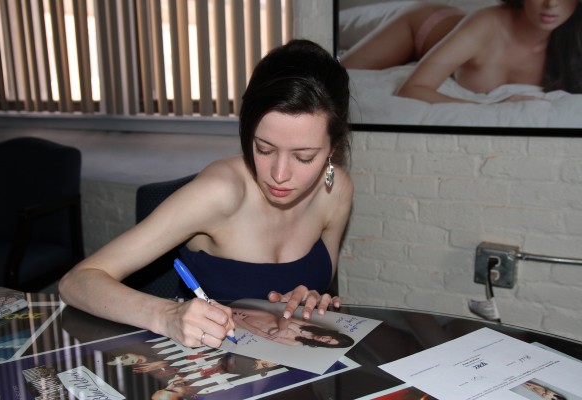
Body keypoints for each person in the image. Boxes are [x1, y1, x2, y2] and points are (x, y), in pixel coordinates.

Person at [59, 39, 353, 349]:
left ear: (332, 148)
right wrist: (167, 315)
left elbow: (322, 285)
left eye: (304, 157)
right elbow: (77, 281)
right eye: (264, 149)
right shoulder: (219, 194)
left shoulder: (337, 191)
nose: (279, 175)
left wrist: (310, 299)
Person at [340, 0, 582, 103]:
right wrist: (489, 107)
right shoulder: (487, 24)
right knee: (339, 69)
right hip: (422, 25)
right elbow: (411, 89)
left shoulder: (572, 42)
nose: (552, 3)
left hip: (458, 33)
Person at [231, 307, 355, 348]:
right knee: (224, 308)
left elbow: (261, 334)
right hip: (262, 315)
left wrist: (239, 321)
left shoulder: (296, 343)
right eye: (330, 337)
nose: (324, 339)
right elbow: (285, 318)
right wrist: (283, 329)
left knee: (222, 318)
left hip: (241, 323)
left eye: (327, 342)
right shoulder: (313, 328)